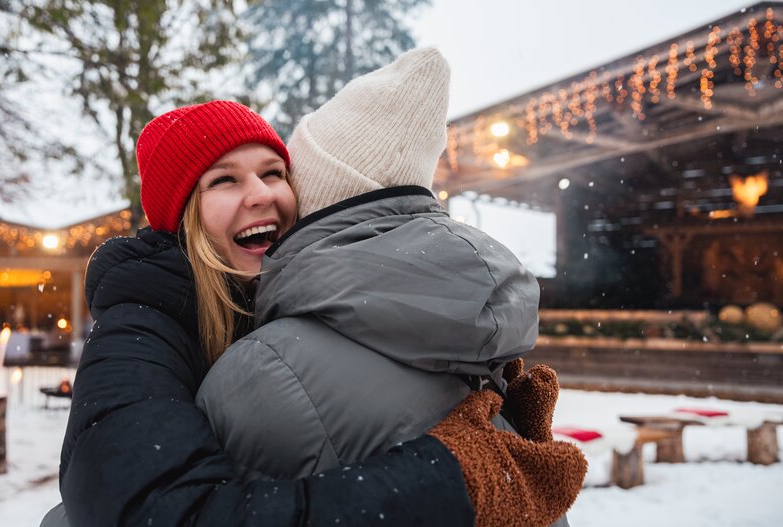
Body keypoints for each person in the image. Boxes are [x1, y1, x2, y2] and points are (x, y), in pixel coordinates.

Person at [52, 99, 583, 527]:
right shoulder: (136, 336)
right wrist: (451, 479)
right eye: (224, 180)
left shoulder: (283, 313)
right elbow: (167, 514)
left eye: (273, 172)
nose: (262, 195)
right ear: (183, 217)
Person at [195, 48, 584, 525]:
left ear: (316, 190)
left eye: (282, 174)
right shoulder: (472, 326)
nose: (268, 197)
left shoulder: (257, 372)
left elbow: (161, 508)